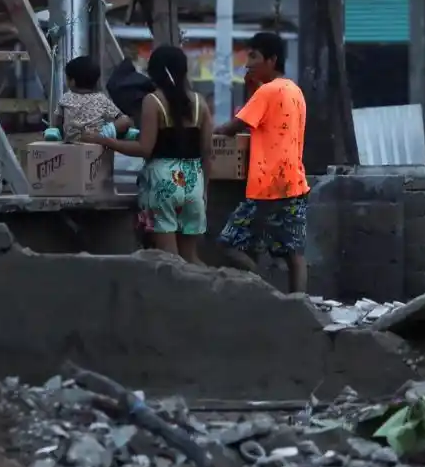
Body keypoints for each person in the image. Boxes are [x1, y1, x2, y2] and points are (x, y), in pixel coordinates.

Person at [87, 46, 212, 264]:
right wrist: (204, 190)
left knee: (170, 259)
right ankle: (210, 286)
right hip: (194, 182)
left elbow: (144, 148)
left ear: (154, 72)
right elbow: (208, 151)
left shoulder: (153, 101)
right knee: (191, 258)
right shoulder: (199, 103)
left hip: (162, 182)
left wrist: (106, 141)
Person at [214, 32, 310, 293]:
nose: (248, 64)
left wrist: (210, 133)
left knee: (228, 243)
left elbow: (232, 128)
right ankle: (299, 304)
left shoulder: (267, 91)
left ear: (272, 59)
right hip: (294, 183)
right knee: (294, 253)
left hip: (267, 186)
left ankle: (265, 289)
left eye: (253, 57)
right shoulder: (294, 90)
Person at [53, 56, 131, 142]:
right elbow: (119, 117)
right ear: (96, 81)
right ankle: (105, 134)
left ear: (72, 82)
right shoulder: (101, 99)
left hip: (72, 140)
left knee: (53, 131)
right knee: (125, 120)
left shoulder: (65, 98)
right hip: (96, 140)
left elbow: (57, 122)